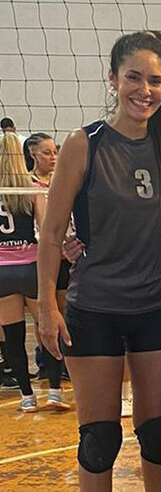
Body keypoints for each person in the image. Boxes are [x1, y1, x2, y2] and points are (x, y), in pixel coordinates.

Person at [36, 31, 161, 491]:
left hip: (156, 305)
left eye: (155, 80)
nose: (145, 90)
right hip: (95, 306)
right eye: (134, 77)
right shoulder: (84, 143)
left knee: (159, 434)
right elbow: (52, 233)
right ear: (113, 79)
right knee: (99, 439)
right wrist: (47, 305)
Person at [0, 132, 49, 412]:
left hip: (2, 273)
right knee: (47, 328)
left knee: (13, 337)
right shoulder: (32, 188)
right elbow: (46, 229)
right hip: (30, 268)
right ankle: (55, 390)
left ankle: (27, 396)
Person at [22, 132, 71, 409]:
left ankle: (65, 365)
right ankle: (48, 363)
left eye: (55, 152)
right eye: (47, 152)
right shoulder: (26, 185)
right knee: (49, 313)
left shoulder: (63, 180)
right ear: (32, 155)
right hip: (44, 256)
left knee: (67, 312)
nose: (53, 157)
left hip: (68, 255)